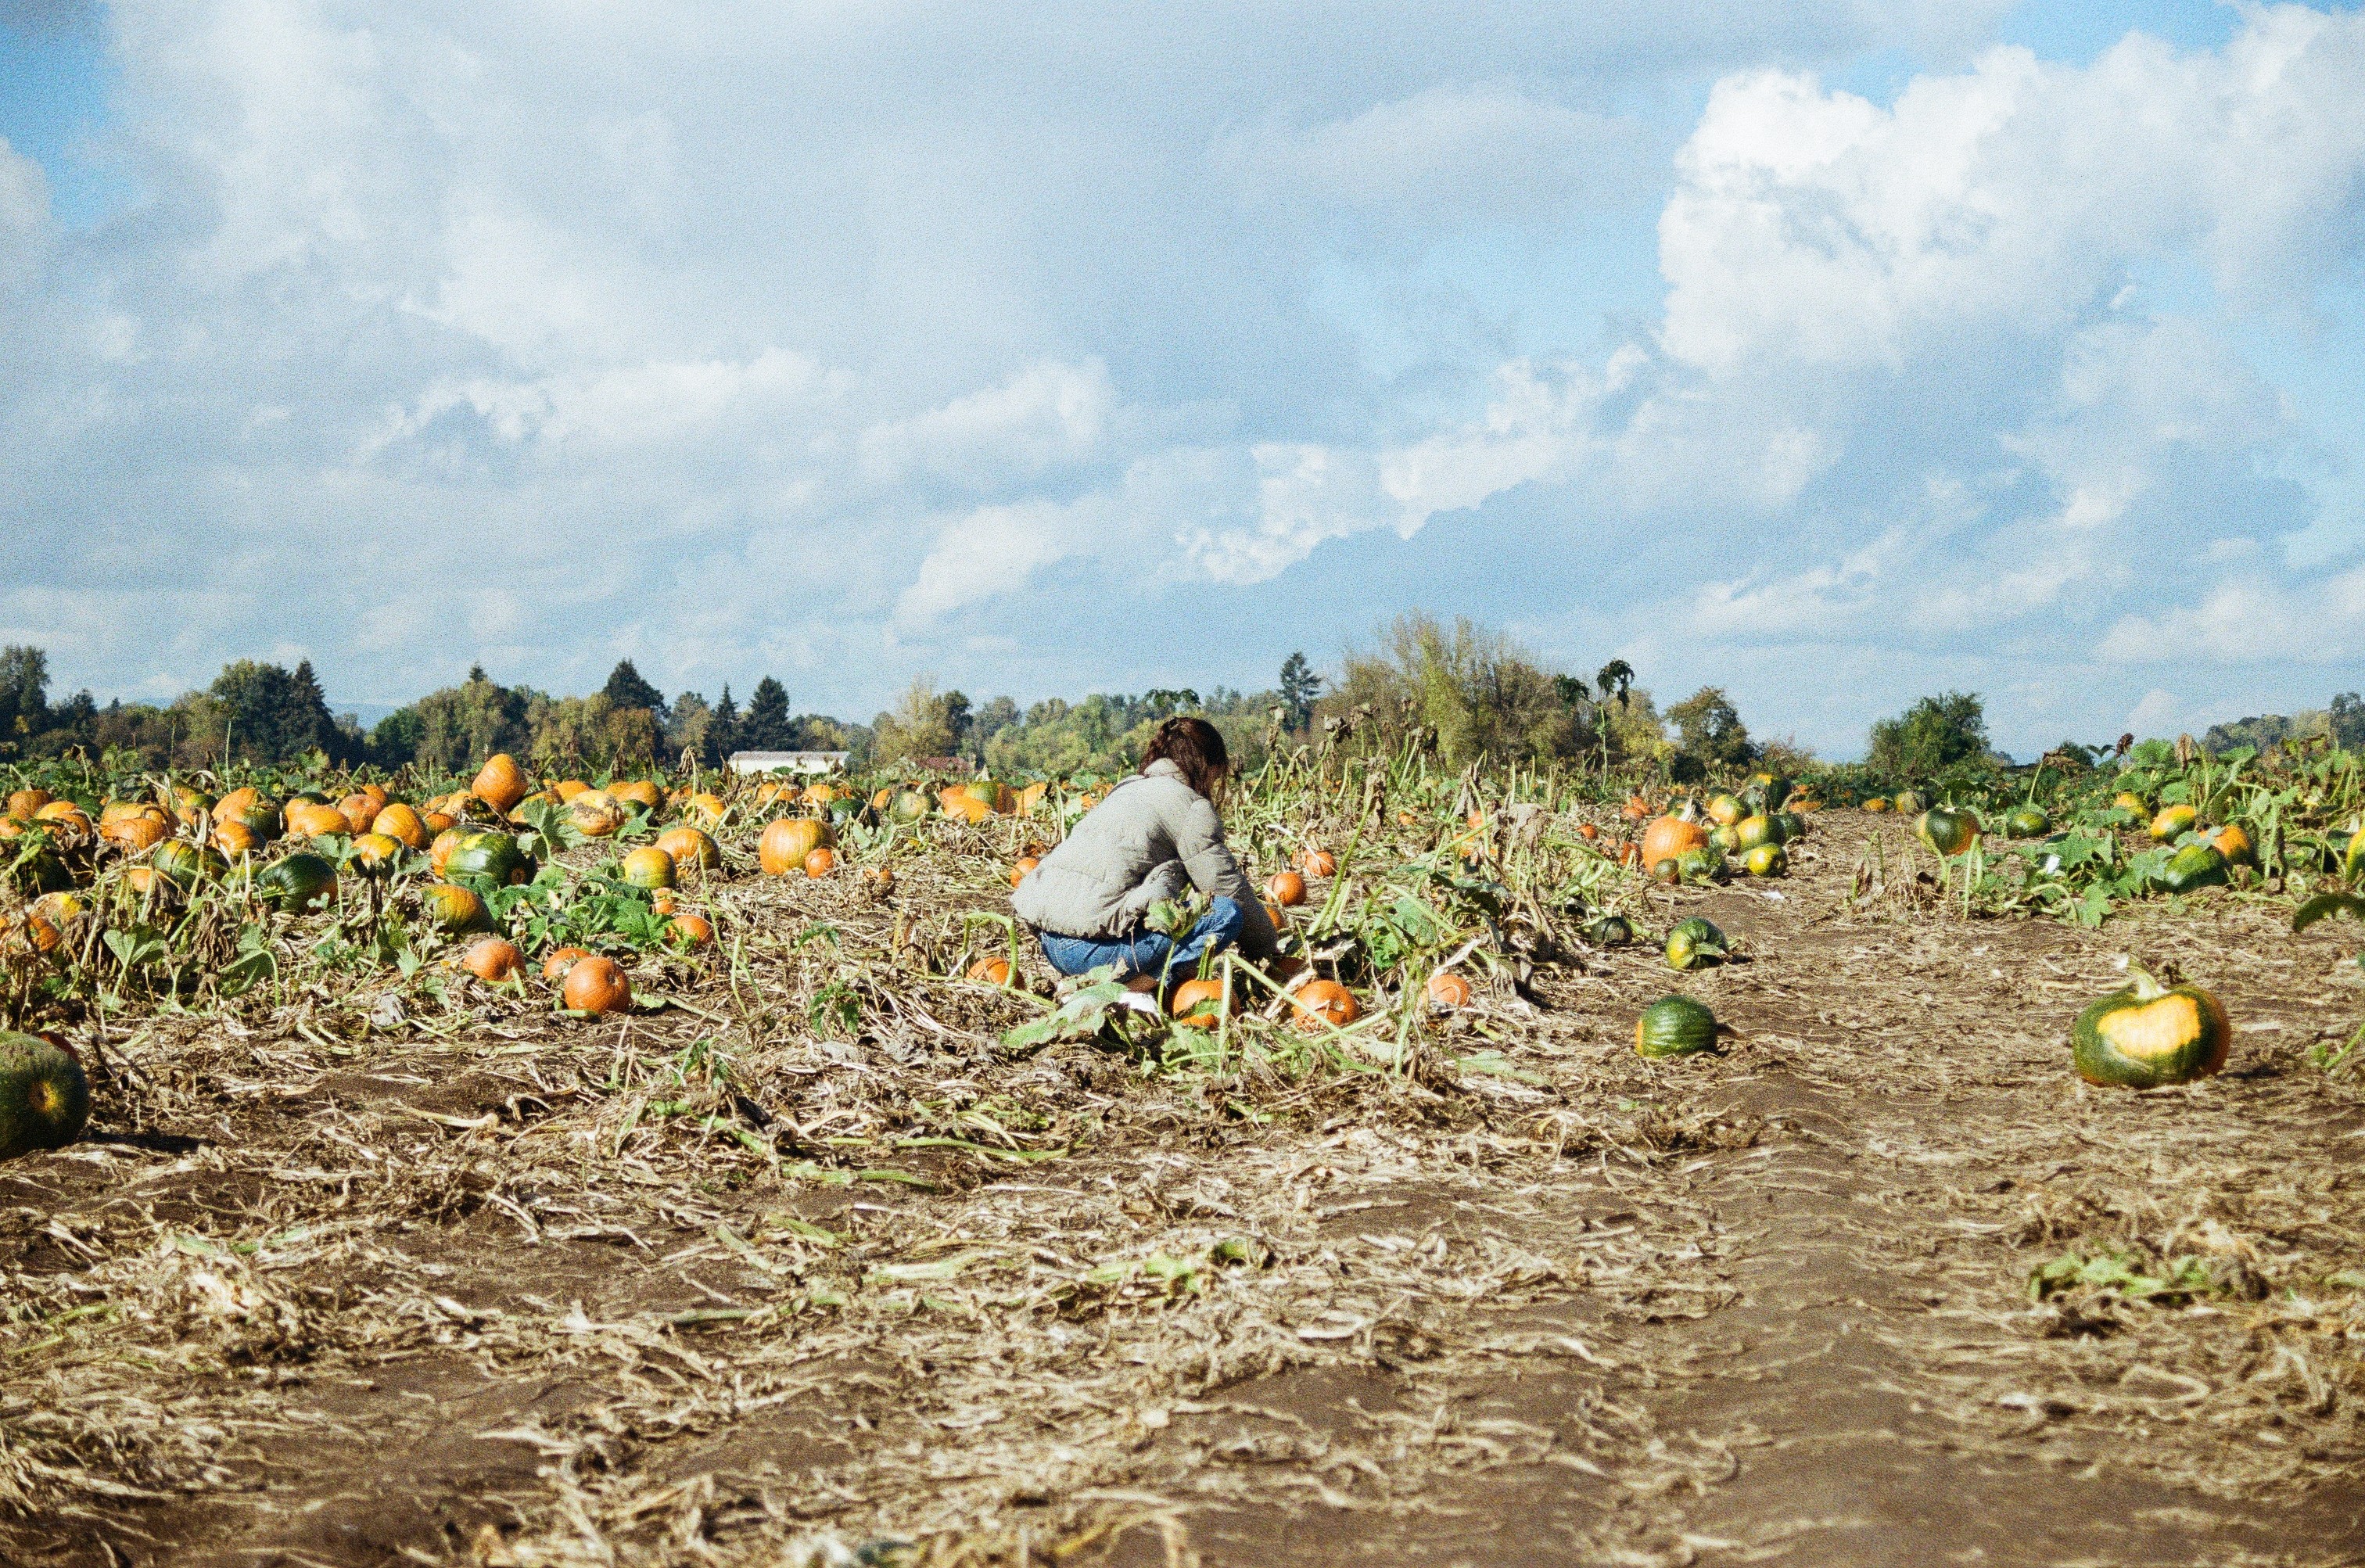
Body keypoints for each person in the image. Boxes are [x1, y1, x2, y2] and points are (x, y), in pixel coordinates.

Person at [1011, 716, 1282, 992]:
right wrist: (1270, 952)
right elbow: (1226, 887)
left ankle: (1104, 985)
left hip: (1052, 945)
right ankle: (1118, 994)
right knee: (1225, 914)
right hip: (1093, 953)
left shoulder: (1126, 789)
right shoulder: (1189, 805)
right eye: (1216, 774)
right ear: (1207, 765)